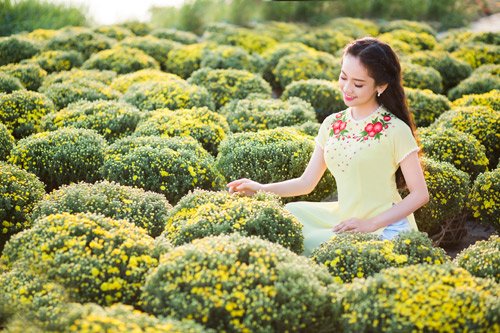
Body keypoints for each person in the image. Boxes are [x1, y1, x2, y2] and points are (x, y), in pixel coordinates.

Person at [226, 37, 429, 256]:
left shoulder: (396, 129)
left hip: (381, 224)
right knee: (290, 215)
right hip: (343, 216)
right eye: (343, 77)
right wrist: (261, 188)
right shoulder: (332, 123)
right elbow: (306, 182)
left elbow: (420, 194)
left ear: (381, 86)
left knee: (313, 244)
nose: (347, 88)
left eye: (358, 84)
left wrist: (369, 224)